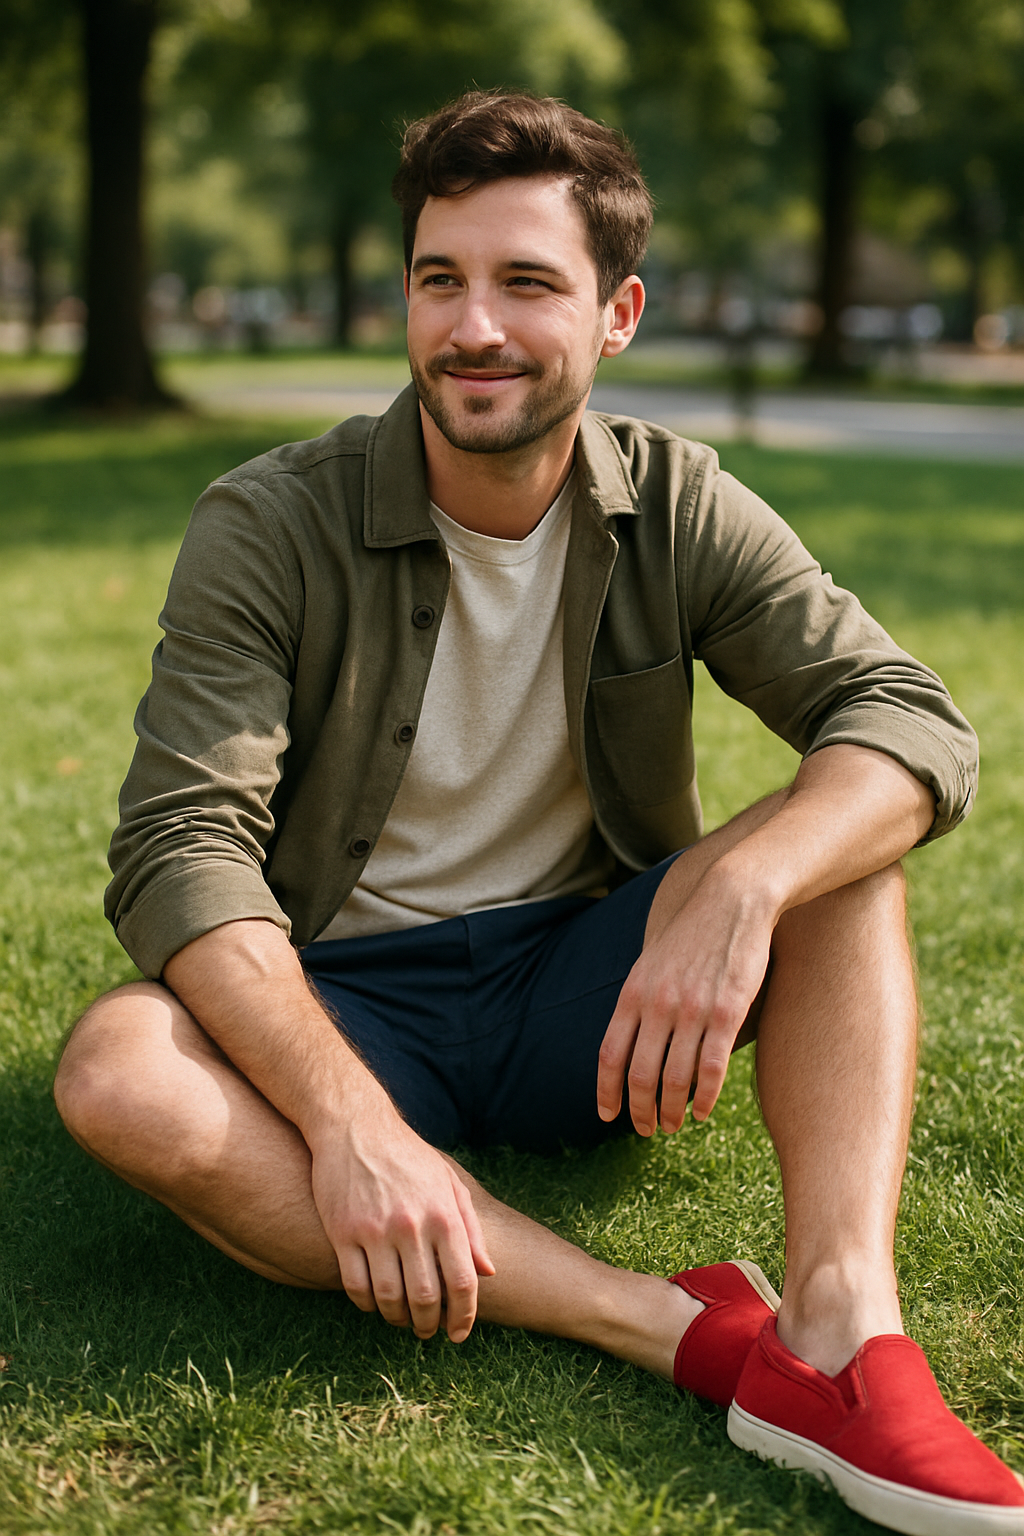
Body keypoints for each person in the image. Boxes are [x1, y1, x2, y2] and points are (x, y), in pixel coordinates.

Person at [54, 91, 1023, 1535]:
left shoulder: (681, 504)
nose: (474, 328)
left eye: (526, 283)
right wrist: (346, 1124)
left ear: (617, 312)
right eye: (441, 280)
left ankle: (842, 1332)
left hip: (588, 991)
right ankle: (669, 1326)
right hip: (342, 999)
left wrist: (739, 888)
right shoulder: (268, 523)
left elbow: (907, 721)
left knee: (842, 858)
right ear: (406, 295)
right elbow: (181, 848)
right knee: (118, 1070)